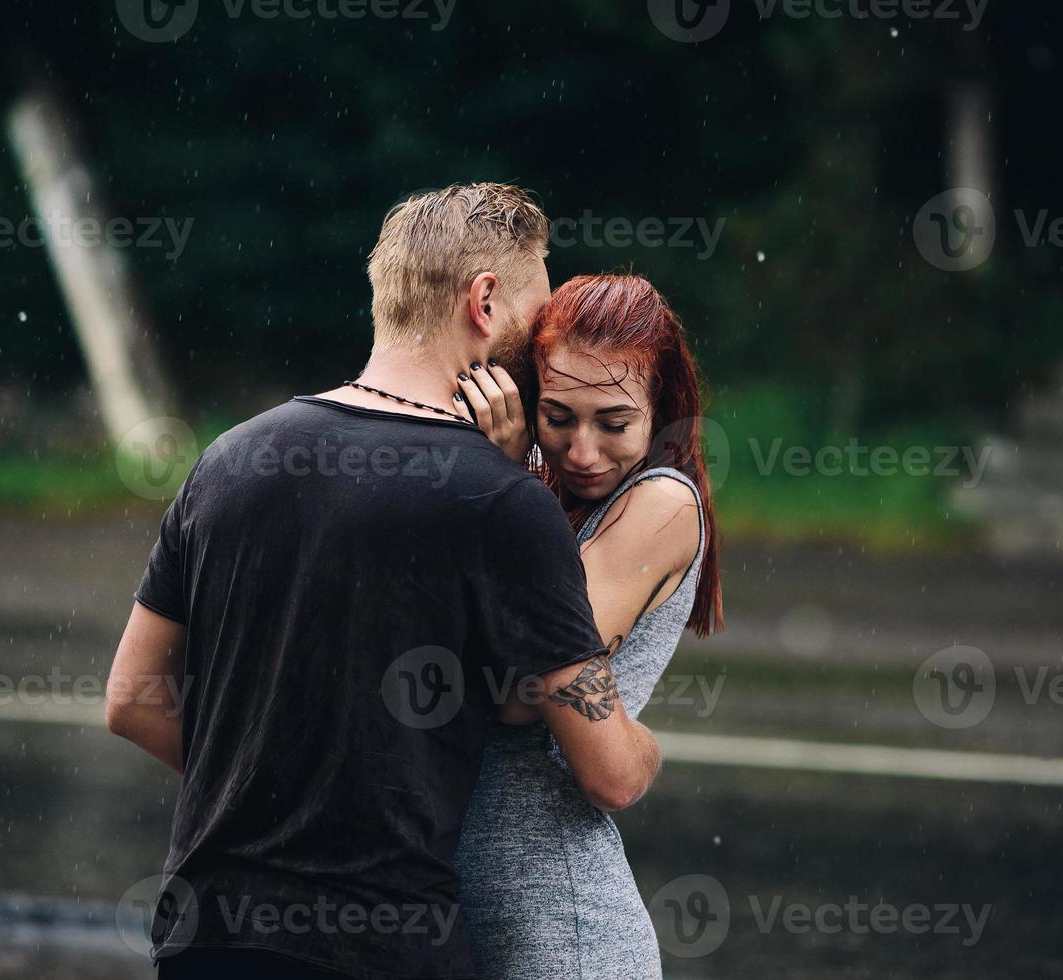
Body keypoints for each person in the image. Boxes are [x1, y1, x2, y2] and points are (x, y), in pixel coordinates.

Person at [105, 183, 665, 979]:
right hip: (382, 947)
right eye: (536, 313)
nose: (544, 340)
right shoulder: (503, 502)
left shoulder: (231, 459)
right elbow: (609, 772)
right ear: (484, 300)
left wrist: (265, 787)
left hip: (209, 934)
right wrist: (647, 750)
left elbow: (131, 700)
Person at [447, 273, 726, 978]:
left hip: (561, 926)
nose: (582, 452)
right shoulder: (544, 484)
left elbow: (521, 691)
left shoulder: (658, 503)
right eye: (559, 416)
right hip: (467, 912)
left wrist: (510, 481)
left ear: (661, 410)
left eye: (614, 422)